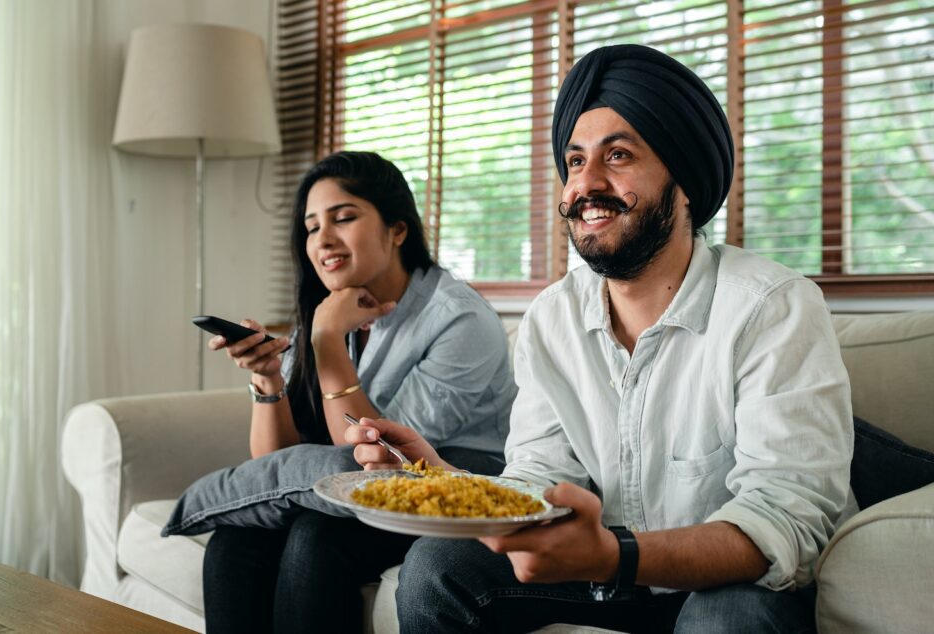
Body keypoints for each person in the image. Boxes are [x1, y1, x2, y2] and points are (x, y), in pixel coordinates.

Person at [344, 45, 853, 633]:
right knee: (438, 567)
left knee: (727, 621)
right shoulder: (551, 319)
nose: (586, 184)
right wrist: (442, 481)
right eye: (575, 160)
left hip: (730, 582)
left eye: (618, 155)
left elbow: (784, 521)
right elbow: (537, 477)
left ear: (685, 182)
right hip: (604, 574)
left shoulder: (773, 306)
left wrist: (617, 556)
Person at [174, 151, 516, 633]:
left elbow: (367, 461)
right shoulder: (334, 305)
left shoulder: (460, 319)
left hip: (450, 484)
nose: (323, 240)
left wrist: (326, 343)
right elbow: (274, 464)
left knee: (318, 536)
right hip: (364, 487)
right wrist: (269, 379)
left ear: (398, 230)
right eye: (312, 227)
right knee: (237, 538)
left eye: (344, 218)